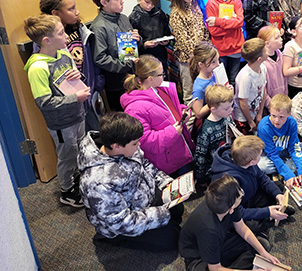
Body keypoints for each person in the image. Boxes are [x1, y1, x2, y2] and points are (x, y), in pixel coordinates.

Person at [78, 112, 183, 251]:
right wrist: (160, 214)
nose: (138, 145)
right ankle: (113, 240)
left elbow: (144, 164)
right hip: (122, 223)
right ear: (116, 146)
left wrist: (165, 182)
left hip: (143, 195)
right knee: (172, 240)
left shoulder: (125, 143)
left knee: (178, 208)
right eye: (135, 143)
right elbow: (121, 222)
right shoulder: (98, 182)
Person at [24, 14, 90, 207]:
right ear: (47, 40)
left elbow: (76, 81)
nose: (66, 37)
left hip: (77, 114)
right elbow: (44, 102)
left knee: (79, 150)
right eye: (61, 33)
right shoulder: (38, 68)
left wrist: (79, 75)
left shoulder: (63, 54)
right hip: (61, 123)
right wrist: (75, 98)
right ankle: (66, 191)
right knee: (67, 156)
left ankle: (76, 180)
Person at [178, 175, 280, 271]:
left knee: (262, 245)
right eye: (240, 196)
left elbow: (241, 228)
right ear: (230, 209)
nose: (241, 194)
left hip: (218, 242)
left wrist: (263, 252)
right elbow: (215, 268)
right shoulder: (209, 230)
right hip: (197, 257)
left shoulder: (225, 201)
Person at [39, 0, 104, 131]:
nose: (77, 12)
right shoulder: (47, 41)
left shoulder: (80, 29)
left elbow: (91, 59)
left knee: (98, 135)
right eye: (71, 9)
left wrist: (97, 83)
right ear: (55, 13)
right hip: (70, 103)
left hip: (90, 93)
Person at [120, 55, 194, 176]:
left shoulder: (161, 90)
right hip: (168, 163)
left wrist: (183, 112)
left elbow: (172, 108)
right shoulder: (134, 109)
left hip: (180, 151)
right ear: (150, 79)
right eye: (161, 74)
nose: (163, 77)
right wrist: (173, 132)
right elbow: (145, 141)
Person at [211, 135, 292, 226]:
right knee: (252, 225)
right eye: (260, 155)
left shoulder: (244, 160)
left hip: (250, 193)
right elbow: (237, 211)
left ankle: (275, 210)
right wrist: (267, 212)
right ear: (252, 162)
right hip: (238, 206)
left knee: (277, 187)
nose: (261, 157)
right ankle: (271, 216)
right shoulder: (229, 181)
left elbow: (262, 177)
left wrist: (277, 194)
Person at [89, 0, 140, 111]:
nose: (122, 1)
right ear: (104, 2)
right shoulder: (99, 26)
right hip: (116, 84)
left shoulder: (123, 18)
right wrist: (124, 65)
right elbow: (100, 58)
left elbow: (129, 47)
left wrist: (136, 39)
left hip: (133, 77)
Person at [257, 94, 302, 188]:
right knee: (262, 166)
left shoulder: (292, 123)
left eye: (281, 117)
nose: (276, 120)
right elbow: (272, 154)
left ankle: (283, 169)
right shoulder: (264, 127)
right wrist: (289, 175)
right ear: (270, 111)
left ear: (289, 113)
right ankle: (288, 168)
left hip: (286, 151)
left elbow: (294, 148)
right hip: (270, 155)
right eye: (273, 115)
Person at [169, 0, 210, 103]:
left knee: (202, 87)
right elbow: (183, 40)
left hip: (201, 56)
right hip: (187, 59)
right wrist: (198, 54)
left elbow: (203, 30)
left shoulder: (195, 6)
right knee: (189, 91)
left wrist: (207, 48)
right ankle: (189, 121)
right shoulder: (176, 13)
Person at [205, 0, 244, 87]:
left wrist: (218, 21)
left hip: (236, 48)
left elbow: (240, 22)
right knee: (220, 82)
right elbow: (214, 31)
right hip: (220, 50)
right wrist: (231, 22)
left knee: (234, 81)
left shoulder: (236, 1)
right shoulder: (211, 3)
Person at [129, 0, 174, 80]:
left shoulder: (160, 14)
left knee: (162, 81)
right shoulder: (134, 17)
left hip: (160, 55)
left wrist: (166, 41)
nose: (150, 6)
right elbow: (130, 46)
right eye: (147, 2)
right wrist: (143, 44)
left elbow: (166, 32)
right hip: (144, 58)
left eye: (153, 3)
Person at [195, 84, 235, 185]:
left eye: (231, 106)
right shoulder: (206, 130)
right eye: (226, 108)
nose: (231, 110)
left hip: (229, 158)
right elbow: (200, 158)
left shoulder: (227, 117)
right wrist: (201, 180)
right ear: (213, 110)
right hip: (215, 168)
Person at [233, 38, 268, 134]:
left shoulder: (263, 68)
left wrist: (260, 113)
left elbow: (263, 90)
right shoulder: (245, 77)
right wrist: (250, 121)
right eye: (265, 50)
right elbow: (243, 103)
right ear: (259, 59)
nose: (268, 51)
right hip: (243, 118)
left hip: (256, 112)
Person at [258, 25, 288, 105]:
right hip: (270, 104)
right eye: (277, 38)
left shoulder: (280, 55)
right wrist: (269, 104)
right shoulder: (262, 63)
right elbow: (262, 89)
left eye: (280, 37)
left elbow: (284, 78)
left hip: (281, 99)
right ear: (267, 43)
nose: (281, 40)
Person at [190, 42, 220, 119]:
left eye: (218, 60)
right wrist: (214, 102)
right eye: (213, 62)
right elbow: (198, 113)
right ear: (201, 65)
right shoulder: (199, 87)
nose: (218, 64)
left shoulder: (214, 74)